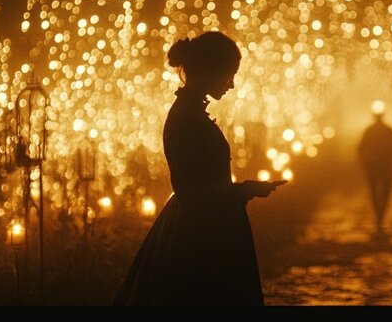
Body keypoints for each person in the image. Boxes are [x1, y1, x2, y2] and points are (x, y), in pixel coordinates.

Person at [113, 31, 286, 305]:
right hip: (200, 236)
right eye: (229, 75)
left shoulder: (190, 114)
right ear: (211, 71)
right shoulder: (187, 119)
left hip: (205, 225)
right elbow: (192, 192)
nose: (231, 85)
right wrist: (244, 190)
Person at [357, 108, 392, 236]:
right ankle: (381, 216)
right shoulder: (389, 131)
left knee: (374, 192)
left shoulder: (369, 131)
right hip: (386, 166)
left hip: (373, 166)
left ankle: (378, 216)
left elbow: (360, 148)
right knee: (386, 192)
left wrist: (364, 161)